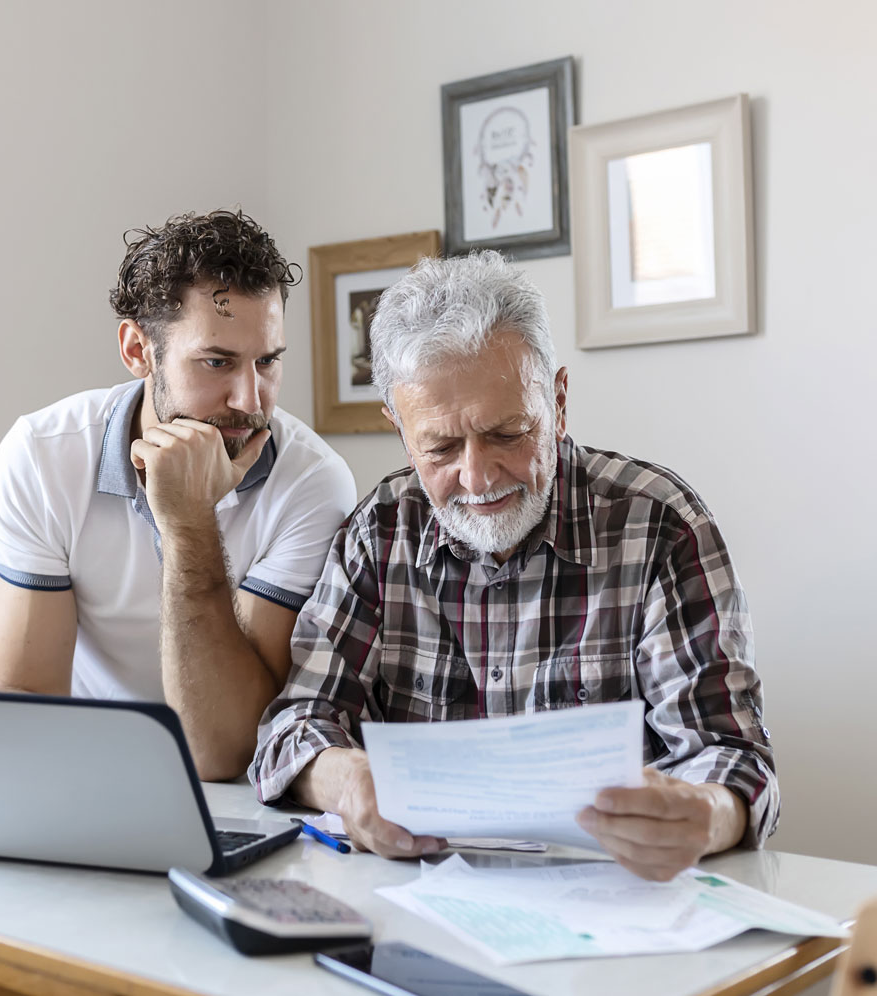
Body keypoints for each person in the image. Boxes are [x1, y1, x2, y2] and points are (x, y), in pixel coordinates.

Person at [250, 251, 778, 881]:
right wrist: (345, 781)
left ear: (557, 400)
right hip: (421, 901)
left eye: (507, 434)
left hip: (611, 906)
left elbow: (731, 755)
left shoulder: (658, 525)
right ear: (398, 428)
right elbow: (293, 727)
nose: (477, 477)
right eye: (441, 447)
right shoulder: (380, 531)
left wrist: (708, 812)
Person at [0, 210, 355, 781]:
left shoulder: (312, 482)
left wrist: (188, 524)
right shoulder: (42, 456)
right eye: (216, 362)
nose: (251, 399)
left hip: (239, 798)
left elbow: (225, 749)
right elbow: (27, 697)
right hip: (82, 777)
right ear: (137, 350)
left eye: (268, 361)